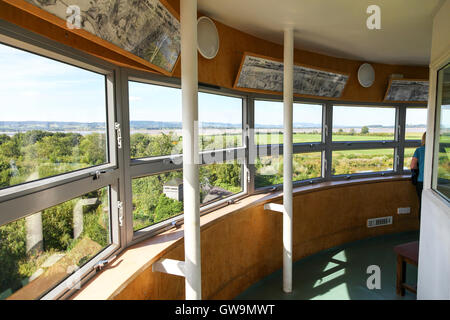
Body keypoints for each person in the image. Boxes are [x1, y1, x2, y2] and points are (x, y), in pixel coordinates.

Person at [410, 132, 426, 218]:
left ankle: (422, 229)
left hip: (421, 181)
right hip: (437, 182)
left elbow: (413, 166)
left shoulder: (419, 150)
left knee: (422, 205)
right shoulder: (439, 149)